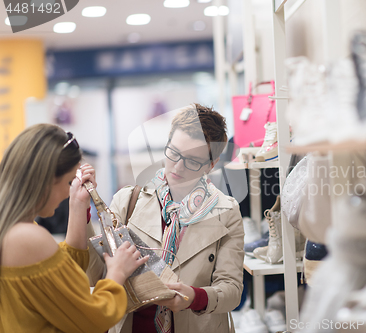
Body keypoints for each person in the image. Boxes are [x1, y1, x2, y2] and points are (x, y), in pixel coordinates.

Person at [87, 104, 245, 333]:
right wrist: (82, 210)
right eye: (173, 153)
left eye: (192, 161)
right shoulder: (128, 201)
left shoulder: (226, 212)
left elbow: (231, 290)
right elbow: (94, 273)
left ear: (211, 165)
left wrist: (195, 297)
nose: (177, 167)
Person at [0, 124, 149, 333]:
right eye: (68, 181)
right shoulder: (27, 237)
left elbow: (63, 274)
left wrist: (78, 205)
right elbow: (94, 319)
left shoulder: (12, 229)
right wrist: (116, 273)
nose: (67, 192)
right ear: (47, 181)